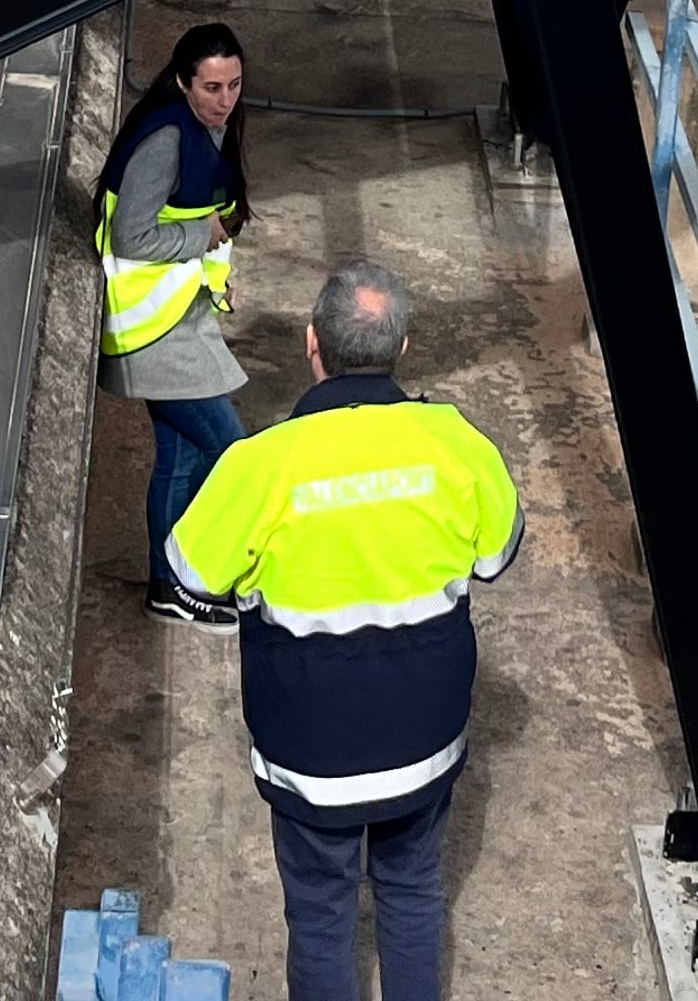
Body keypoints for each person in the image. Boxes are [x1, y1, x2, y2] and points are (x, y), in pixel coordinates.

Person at [164, 261, 522, 1001]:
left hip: (309, 751)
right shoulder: (456, 444)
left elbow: (187, 573)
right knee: (415, 892)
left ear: (310, 345)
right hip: (424, 741)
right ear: (403, 347)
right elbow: (497, 556)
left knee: (322, 917)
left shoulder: (259, 466)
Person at [96, 20, 253, 627]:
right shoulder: (165, 140)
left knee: (181, 457)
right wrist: (204, 235)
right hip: (151, 331)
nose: (225, 100)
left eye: (234, 85)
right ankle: (188, 572)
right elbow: (133, 236)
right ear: (184, 82)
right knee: (229, 449)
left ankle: (170, 585)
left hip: (174, 318)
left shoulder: (206, 127)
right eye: (212, 87)